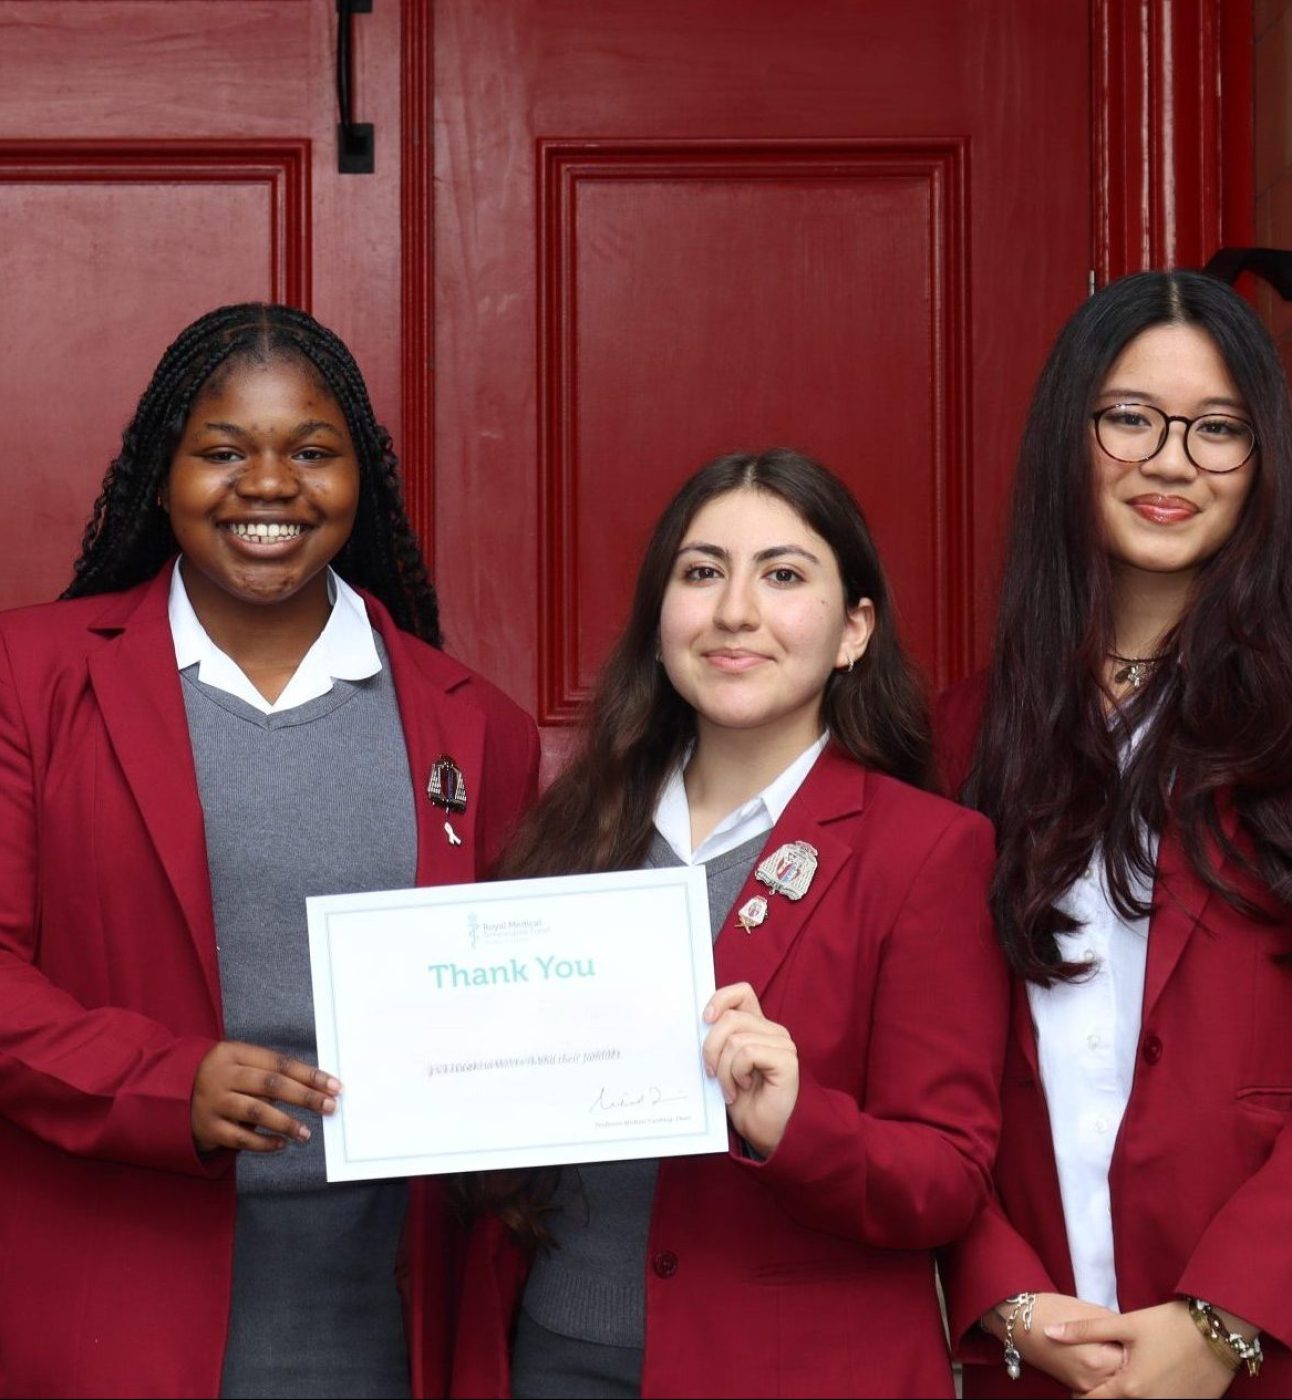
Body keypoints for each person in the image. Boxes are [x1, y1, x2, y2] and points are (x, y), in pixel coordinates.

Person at [0, 303, 539, 1399]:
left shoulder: (476, 724)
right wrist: (166, 1082)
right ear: (163, 474)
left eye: (310, 451)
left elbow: (511, 1003)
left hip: (385, 1301)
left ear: (360, 480)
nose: (268, 484)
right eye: (221, 451)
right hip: (108, 1294)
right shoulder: (29, 677)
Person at [442, 449, 1009, 1399]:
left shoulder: (927, 852)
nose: (735, 611)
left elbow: (947, 1176)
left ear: (853, 631)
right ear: (661, 618)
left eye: (783, 576)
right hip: (549, 1353)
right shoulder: (571, 832)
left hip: (786, 1370)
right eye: (701, 572)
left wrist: (798, 1125)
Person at [936, 270, 1292, 1397]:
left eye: (1217, 428)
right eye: (1130, 416)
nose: (1171, 459)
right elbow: (908, 1068)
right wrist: (1000, 1290)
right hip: (1029, 1353)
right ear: (1068, 436)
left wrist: (1226, 1316)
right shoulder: (957, 736)